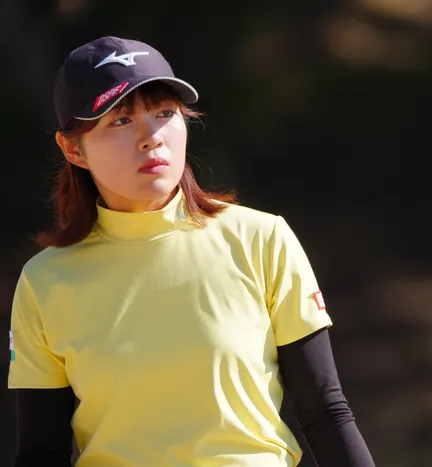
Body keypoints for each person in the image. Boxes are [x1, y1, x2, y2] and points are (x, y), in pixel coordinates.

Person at [7, 36, 375, 467]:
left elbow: (325, 412)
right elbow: (41, 453)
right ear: (73, 149)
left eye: (165, 113)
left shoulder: (261, 239)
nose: (151, 138)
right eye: (121, 120)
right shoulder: (45, 281)